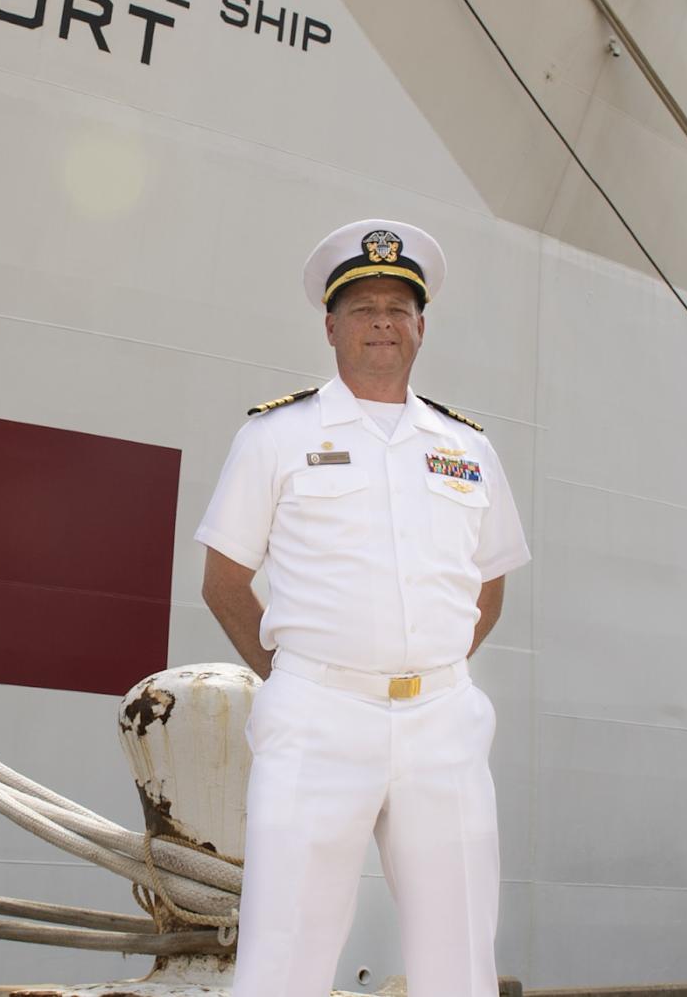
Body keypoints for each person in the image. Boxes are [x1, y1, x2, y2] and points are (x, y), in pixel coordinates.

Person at [196, 219, 529, 997]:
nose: (382, 321)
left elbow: (491, 582)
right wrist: (298, 677)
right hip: (318, 716)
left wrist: (420, 665)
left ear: (420, 325)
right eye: (363, 307)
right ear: (331, 326)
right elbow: (223, 580)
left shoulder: (467, 448)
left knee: (460, 954)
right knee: (285, 949)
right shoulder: (277, 436)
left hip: (441, 720)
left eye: (398, 307)